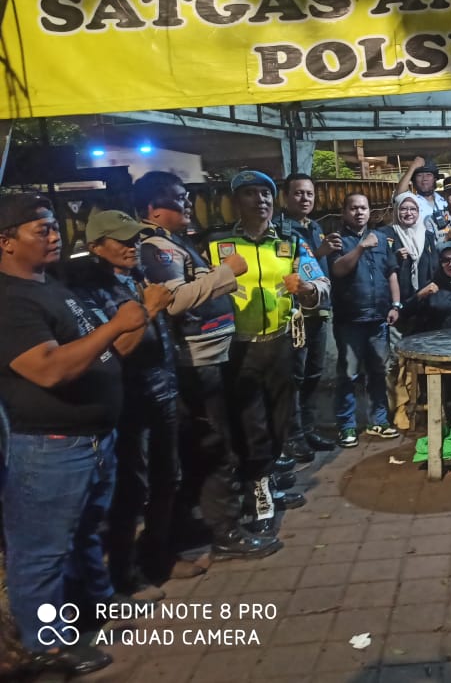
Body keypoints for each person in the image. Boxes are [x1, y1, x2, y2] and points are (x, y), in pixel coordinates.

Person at [0, 193, 146, 677]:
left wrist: (130, 325)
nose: (54, 234)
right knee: (41, 552)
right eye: (40, 229)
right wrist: (116, 326)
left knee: (84, 533)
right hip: (50, 447)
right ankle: (45, 642)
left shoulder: (49, 284)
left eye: (53, 225)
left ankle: (96, 605)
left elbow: (93, 352)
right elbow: (47, 369)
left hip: (92, 439)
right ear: (5, 242)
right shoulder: (10, 301)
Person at [134, 171, 282, 563]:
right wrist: (225, 272)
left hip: (211, 358)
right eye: (178, 198)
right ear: (153, 208)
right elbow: (173, 301)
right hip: (194, 363)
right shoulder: (156, 247)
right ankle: (225, 531)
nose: (188, 203)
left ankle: (208, 522)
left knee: (213, 443)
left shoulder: (175, 242)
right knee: (215, 447)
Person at [208, 170, 328, 535]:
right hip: (237, 348)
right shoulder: (218, 245)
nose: (259, 200)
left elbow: (320, 281)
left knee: (280, 421)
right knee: (251, 424)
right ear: (235, 202)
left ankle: (269, 477)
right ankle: (258, 490)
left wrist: (308, 289)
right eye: (250, 193)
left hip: (281, 344)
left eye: (265, 193)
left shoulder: (290, 241)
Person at [66, 211, 177, 602]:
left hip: (163, 391)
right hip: (128, 403)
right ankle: (124, 575)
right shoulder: (89, 291)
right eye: (122, 240)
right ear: (96, 247)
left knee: (168, 478)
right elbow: (112, 352)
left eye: (135, 239)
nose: (132, 247)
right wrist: (150, 308)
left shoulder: (138, 276)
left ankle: (157, 560)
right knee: (131, 491)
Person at [328, 193, 403, 448]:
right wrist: (360, 247)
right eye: (353, 208)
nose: (359, 212)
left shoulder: (381, 238)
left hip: (378, 318)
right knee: (349, 374)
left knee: (378, 372)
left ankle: (378, 421)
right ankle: (346, 425)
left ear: (370, 212)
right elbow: (337, 269)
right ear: (344, 212)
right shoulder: (337, 240)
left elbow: (391, 272)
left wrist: (395, 304)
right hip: (350, 318)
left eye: (363, 208)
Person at [275, 173, 339, 460]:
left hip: (318, 310)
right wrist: (321, 251)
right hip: (296, 313)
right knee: (295, 376)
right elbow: (286, 268)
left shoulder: (314, 226)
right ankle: (293, 436)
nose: (305, 199)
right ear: (285, 197)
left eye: (309, 194)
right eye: (298, 193)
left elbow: (319, 270)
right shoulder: (280, 230)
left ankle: (309, 429)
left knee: (314, 372)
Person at [380, 191, 437, 430]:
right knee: (395, 360)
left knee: (417, 360)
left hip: (422, 308)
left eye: (413, 209)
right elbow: (380, 265)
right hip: (397, 307)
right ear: (396, 211)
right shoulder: (387, 235)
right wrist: (394, 256)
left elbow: (434, 268)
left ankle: (417, 407)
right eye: (403, 208)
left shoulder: (428, 236)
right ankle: (398, 408)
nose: (408, 213)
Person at [405, 241, 451, 333]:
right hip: (436, 340)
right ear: (439, 263)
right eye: (445, 260)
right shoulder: (431, 287)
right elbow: (404, 313)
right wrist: (420, 295)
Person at [396, 156, 447, 228]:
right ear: (414, 181)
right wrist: (412, 167)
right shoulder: (411, 201)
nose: (424, 178)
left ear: (435, 179)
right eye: (419, 175)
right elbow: (400, 193)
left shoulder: (444, 200)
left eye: (428, 175)